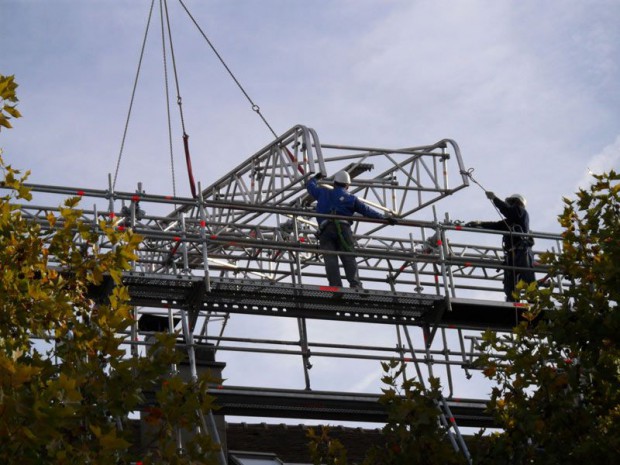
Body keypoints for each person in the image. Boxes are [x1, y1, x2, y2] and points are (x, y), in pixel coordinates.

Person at [306, 170, 397, 289]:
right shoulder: (351, 198)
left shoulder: (322, 192)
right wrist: (385, 218)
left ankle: (335, 287)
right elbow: (367, 211)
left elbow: (309, 186)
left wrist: (315, 178)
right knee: (348, 256)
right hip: (343, 228)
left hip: (325, 230)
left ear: (334, 183)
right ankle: (355, 285)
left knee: (330, 258)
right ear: (347, 186)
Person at [467, 192, 535, 301]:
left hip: (522, 252)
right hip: (512, 254)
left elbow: (507, 210)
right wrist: (480, 223)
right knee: (510, 285)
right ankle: (512, 302)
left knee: (527, 279)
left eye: (510, 203)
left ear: (516, 203)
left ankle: (532, 302)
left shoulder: (521, 212)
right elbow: (496, 225)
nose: (509, 205)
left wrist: (494, 199)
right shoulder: (510, 221)